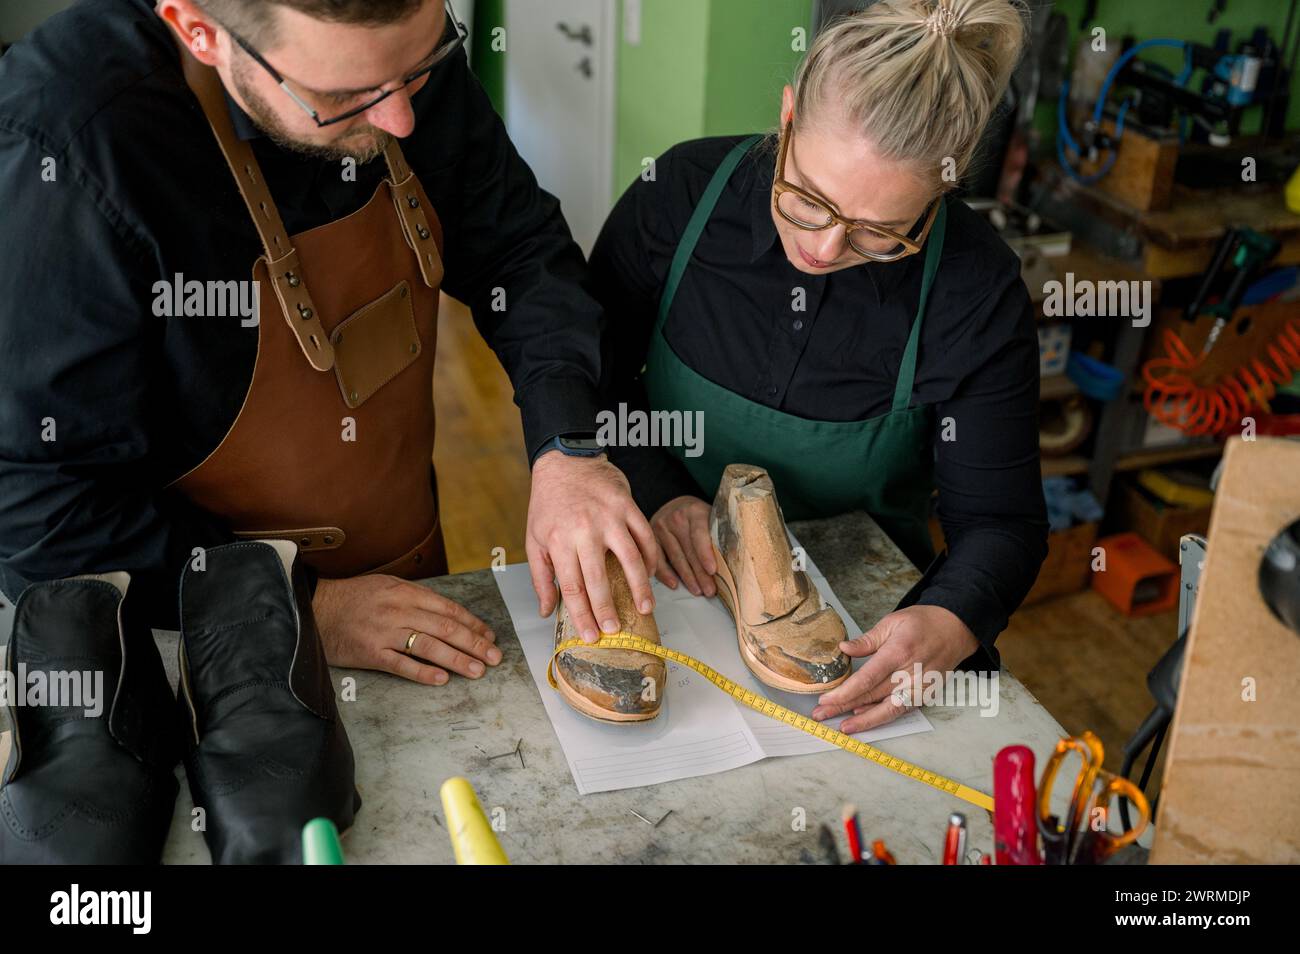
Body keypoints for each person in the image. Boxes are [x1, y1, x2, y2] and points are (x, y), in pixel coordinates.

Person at [0, 0, 662, 688]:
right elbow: (36, 503)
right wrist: (300, 605)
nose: (400, 119)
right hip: (197, 643)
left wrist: (568, 449)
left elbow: (522, 253)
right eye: (342, 97)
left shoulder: (389, 57)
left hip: (401, 573)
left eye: (421, 69)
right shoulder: (63, 147)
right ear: (201, 32)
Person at [589, 0, 1048, 733]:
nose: (826, 249)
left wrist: (949, 616)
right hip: (669, 572)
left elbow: (1002, 521)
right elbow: (595, 382)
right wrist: (660, 488)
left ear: (943, 191)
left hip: (854, 617)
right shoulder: (678, 193)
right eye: (808, 198)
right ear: (789, 114)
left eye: (880, 232)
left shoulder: (975, 291)